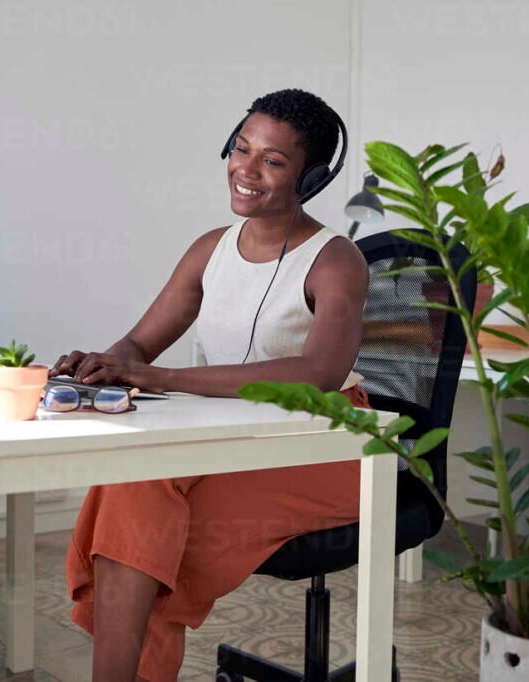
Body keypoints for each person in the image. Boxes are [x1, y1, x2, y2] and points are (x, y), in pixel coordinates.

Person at [50, 88, 369, 682]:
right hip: (233, 438)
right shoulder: (209, 250)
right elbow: (138, 346)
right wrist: (100, 365)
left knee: (153, 544)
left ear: (313, 177)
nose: (246, 170)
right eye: (241, 149)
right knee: (136, 493)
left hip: (328, 447)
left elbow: (319, 374)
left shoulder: (335, 260)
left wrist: (161, 378)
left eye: (273, 161)